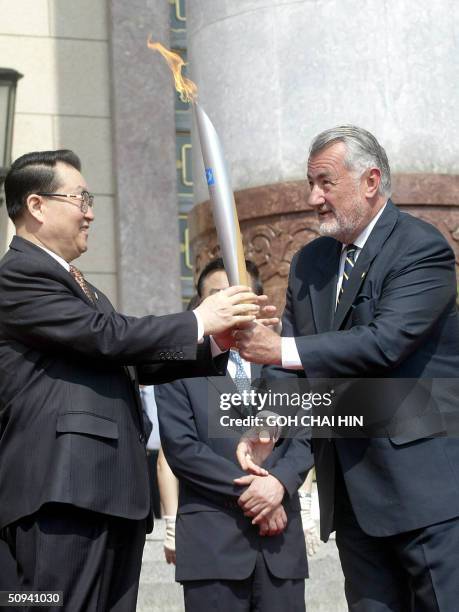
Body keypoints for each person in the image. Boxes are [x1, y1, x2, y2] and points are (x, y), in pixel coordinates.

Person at [0, 149, 264, 612]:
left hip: (108, 494)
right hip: (62, 493)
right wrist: (199, 319)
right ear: (37, 205)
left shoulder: (82, 286)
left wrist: (218, 342)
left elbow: (129, 357)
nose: (90, 212)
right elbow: (107, 337)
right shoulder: (19, 276)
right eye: (80, 197)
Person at [235, 126, 459, 611]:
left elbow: (384, 344)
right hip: (353, 497)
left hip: (424, 494)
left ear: (371, 180)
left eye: (325, 182)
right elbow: (293, 364)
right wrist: (269, 421)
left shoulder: (421, 249)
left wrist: (277, 350)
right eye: (309, 183)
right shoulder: (310, 262)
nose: (313, 197)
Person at [155, 257, 313, 612]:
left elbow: (306, 433)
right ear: (200, 305)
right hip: (212, 547)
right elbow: (182, 449)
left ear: (257, 301)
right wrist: (257, 494)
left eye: (237, 293)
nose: (228, 302)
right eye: (216, 295)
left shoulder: (285, 361)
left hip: (279, 546)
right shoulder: (176, 365)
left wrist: (279, 484)